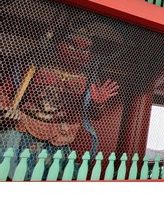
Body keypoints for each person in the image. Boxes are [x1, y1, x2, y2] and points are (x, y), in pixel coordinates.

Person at [0, 27, 119, 180]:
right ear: (58, 44)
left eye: (85, 50)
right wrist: (8, 110)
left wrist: (98, 103)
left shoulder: (88, 79)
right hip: (26, 128)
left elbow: (93, 115)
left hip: (60, 136)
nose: (78, 53)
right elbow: (5, 91)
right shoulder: (35, 65)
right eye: (72, 46)